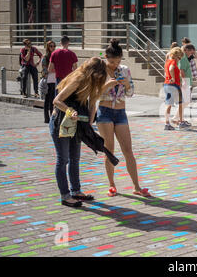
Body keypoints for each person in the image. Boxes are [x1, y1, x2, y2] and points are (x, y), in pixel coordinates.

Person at [50, 57, 108, 207]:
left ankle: (76, 191)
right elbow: (56, 100)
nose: (100, 78)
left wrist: (89, 123)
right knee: (63, 159)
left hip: (76, 125)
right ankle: (65, 196)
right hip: (61, 122)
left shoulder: (93, 82)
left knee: (75, 159)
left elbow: (92, 104)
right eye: (99, 74)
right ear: (92, 72)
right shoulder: (79, 79)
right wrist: (70, 111)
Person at [97, 39, 151, 198]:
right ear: (106, 57)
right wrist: (107, 85)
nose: (115, 64)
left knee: (128, 150)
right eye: (112, 61)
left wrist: (127, 84)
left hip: (121, 112)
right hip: (104, 111)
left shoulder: (124, 70)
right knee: (109, 150)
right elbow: (94, 93)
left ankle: (136, 186)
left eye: (118, 61)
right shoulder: (100, 70)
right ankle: (112, 185)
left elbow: (130, 93)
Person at [163, 47, 190, 130]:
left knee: (168, 105)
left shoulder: (167, 62)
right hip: (174, 85)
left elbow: (167, 71)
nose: (180, 59)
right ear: (176, 56)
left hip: (167, 84)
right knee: (181, 103)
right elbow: (171, 69)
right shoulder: (173, 62)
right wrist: (174, 78)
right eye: (179, 57)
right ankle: (181, 122)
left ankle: (167, 124)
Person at [172, 44, 196, 125]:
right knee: (185, 101)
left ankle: (177, 118)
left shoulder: (186, 58)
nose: (191, 54)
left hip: (187, 81)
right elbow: (181, 71)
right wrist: (185, 82)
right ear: (186, 50)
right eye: (190, 52)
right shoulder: (183, 58)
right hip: (185, 82)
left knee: (186, 101)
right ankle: (176, 118)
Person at [41, 41, 57, 123]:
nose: (53, 47)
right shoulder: (45, 57)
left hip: (55, 80)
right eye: (51, 46)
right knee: (47, 100)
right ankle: (46, 118)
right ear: (48, 47)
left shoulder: (56, 56)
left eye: (54, 46)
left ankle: (52, 117)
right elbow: (44, 70)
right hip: (48, 81)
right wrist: (53, 70)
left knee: (53, 100)